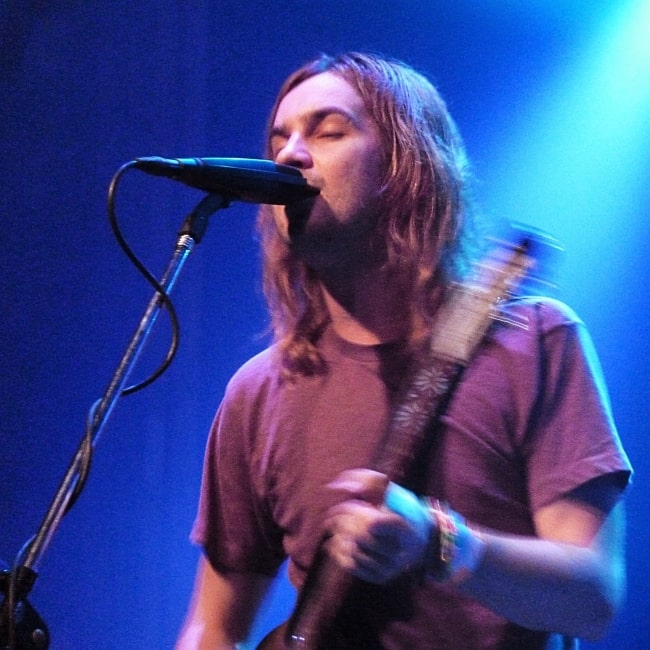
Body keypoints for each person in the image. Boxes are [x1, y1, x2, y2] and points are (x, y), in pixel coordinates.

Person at [175, 52, 632, 649]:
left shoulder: (534, 341)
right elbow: (211, 626)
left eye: (328, 131)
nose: (289, 155)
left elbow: (592, 598)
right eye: (279, 139)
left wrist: (442, 543)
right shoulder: (259, 391)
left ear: (406, 166)